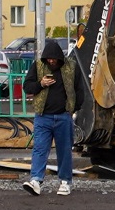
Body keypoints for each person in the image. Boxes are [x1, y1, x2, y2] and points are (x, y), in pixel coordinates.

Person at [22, 39, 79, 196]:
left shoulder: (71, 67)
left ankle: (65, 182)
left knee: (64, 151)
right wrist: (41, 84)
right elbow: (27, 87)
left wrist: (75, 110)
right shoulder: (38, 66)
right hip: (42, 116)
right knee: (40, 148)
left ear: (60, 58)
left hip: (63, 116)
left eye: (54, 59)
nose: (51, 61)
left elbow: (79, 89)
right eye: (49, 59)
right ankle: (36, 180)